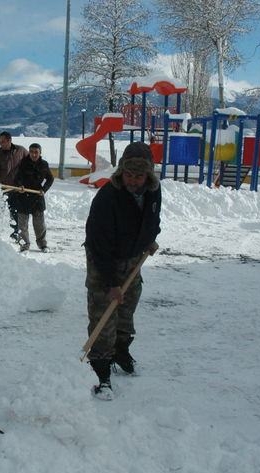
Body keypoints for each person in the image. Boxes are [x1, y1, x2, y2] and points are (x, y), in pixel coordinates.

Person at [84, 143, 161, 400]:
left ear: (148, 175)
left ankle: (120, 351)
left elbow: (152, 218)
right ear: (121, 172)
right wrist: (110, 283)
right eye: (128, 175)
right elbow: (98, 243)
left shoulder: (152, 190)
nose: (133, 181)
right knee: (104, 315)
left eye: (139, 176)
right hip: (102, 260)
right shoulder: (107, 198)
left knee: (127, 310)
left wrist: (149, 238)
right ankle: (101, 370)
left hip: (132, 258)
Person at [14, 143, 54, 252]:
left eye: (36, 152)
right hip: (23, 196)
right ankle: (24, 244)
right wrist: (19, 186)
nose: (34, 154)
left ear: (40, 153)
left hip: (37, 197)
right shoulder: (23, 163)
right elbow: (17, 178)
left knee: (39, 224)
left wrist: (44, 189)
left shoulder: (44, 165)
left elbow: (50, 179)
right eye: (31, 152)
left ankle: (42, 244)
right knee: (22, 225)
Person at [0, 131, 28, 240]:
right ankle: (2, 233)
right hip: (5, 188)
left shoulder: (20, 150)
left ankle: (18, 233)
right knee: (6, 211)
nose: (0, 144)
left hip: (19, 188)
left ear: (9, 140)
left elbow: (29, 163)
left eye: (2, 141)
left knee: (18, 212)